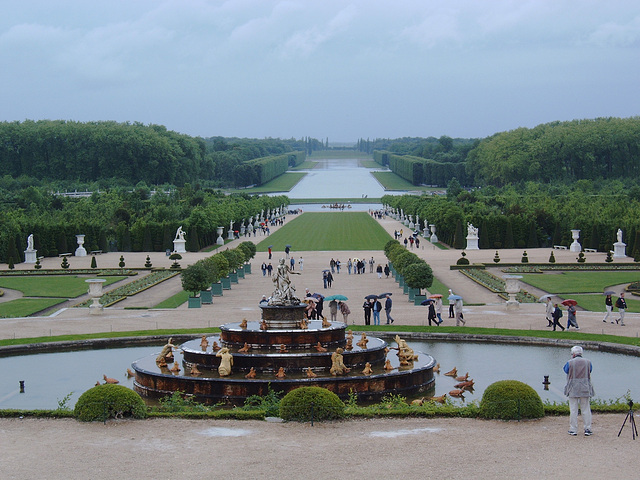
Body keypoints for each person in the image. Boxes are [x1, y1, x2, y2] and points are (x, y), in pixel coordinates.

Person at [564, 346, 594, 436]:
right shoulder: (588, 362)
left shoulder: (569, 362)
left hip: (573, 387)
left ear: (573, 354)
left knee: (573, 409)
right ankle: (587, 428)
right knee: (586, 409)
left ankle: (573, 429)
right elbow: (590, 370)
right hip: (585, 387)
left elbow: (565, 370)